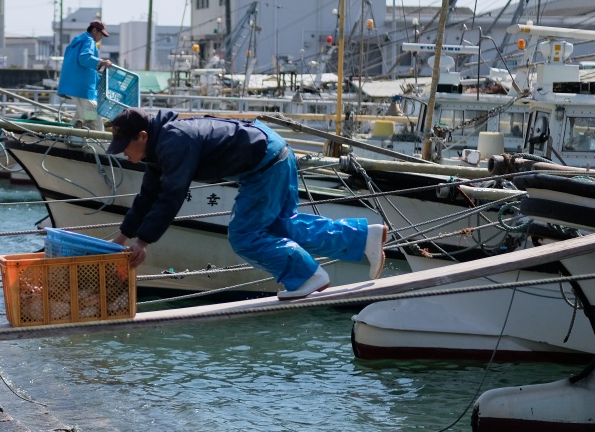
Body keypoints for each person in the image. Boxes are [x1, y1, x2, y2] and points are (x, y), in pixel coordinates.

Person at [105, 107, 388, 300]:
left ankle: (306, 276)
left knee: (244, 236)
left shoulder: (174, 141)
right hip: (274, 153)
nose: (123, 154)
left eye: (124, 147)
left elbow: (172, 195)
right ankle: (364, 237)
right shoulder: (157, 149)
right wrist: (123, 236)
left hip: (264, 164)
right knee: (279, 228)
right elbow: (148, 197)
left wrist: (143, 241)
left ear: (142, 136)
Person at [57, 19, 112, 129]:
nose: (101, 38)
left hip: (72, 85)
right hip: (82, 88)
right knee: (93, 119)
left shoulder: (78, 40)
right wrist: (101, 62)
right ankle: (98, 144)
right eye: (101, 34)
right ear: (95, 31)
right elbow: (84, 58)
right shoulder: (90, 41)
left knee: (81, 115)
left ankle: (67, 136)